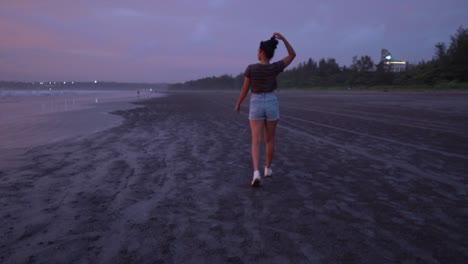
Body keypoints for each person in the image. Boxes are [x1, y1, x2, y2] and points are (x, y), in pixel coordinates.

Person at [235, 32, 296, 187]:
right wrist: (283, 39)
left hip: (255, 102)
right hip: (271, 101)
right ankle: (267, 169)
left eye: (258, 50)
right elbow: (292, 54)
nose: (257, 52)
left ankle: (256, 173)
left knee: (256, 141)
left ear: (261, 52)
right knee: (269, 140)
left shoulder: (251, 68)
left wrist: (238, 104)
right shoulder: (275, 67)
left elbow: (244, 89)